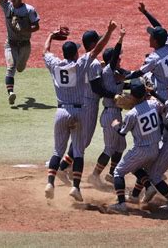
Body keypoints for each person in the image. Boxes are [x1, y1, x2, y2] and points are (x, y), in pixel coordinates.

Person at [43, 20, 117, 202]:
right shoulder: (81, 64)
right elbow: (97, 49)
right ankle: (75, 187)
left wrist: (51, 35)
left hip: (61, 111)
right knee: (78, 151)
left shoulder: (55, 64)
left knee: (57, 151)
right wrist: (110, 31)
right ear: (76, 53)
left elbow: (45, 51)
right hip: (79, 112)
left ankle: (50, 183)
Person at [57, 28, 120, 183]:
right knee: (83, 140)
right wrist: (114, 95)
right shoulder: (93, 64)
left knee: (80, 139)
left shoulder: (84, 61)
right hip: (89, 105)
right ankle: (63, 167)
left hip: (80, 101)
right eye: (97, 41)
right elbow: (97, 88)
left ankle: (68, 167)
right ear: (93, 44)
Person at [127, 76, 168, 212]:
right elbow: (166, 103)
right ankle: (135, 196)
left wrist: (157, 113)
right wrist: (153, 93)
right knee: (146, 167)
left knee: (154, 176)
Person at [108, 79, 163, 213]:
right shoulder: (153, 104)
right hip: (156, 148)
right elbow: (163, 106)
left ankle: (121, 204)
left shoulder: (132, 114)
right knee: (135, 165)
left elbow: (122, 133)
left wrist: (115, 125)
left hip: (141, 150)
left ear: (132, 96)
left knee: (118, 172)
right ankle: (148, 186)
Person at [0, 0, 40, 104]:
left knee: (20, 68)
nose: (16, 0)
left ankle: (21, 63)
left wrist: (25, 29)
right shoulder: (7, 6)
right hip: (10, 43)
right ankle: (11, 93)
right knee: (11, 67)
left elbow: (37, 27)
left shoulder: (29, 10)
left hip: (25, 45)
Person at [87, 27, 128, 186]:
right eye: (117, 59)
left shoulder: (116, 72)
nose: (120, 60)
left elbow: (125, 81)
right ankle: (95, 175)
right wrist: (120, 38)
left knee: (120, 146)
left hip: (116, 113)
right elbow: (115, 55)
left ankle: (111, 173)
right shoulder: (109, 71)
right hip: (110, 114)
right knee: (110, 148)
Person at [124, 3, 168, 103]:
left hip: (162, 94)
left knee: (142, 79)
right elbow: (160, 28)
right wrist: (145, 12)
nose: (149, 37)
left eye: (151, 36)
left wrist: (122, 78)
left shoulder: (154, 58)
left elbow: (138, 73)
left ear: (155, 41)